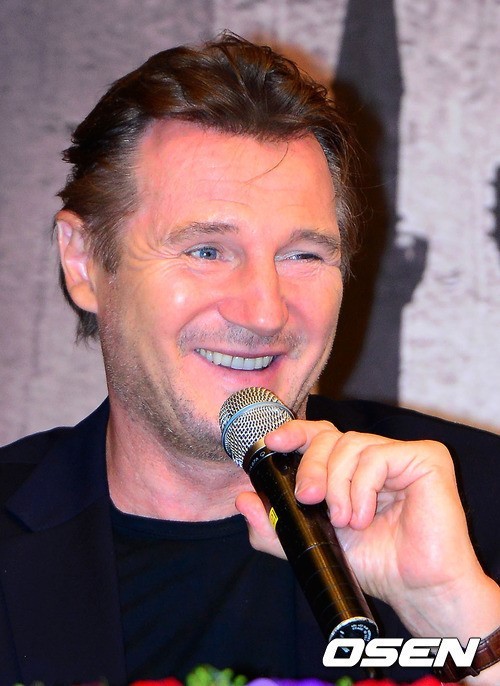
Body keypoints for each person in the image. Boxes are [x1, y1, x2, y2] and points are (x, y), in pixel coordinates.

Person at [0, 32, 498, 686]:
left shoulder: (474, 503)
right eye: (207, 250)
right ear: (84, 262)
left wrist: (454, 611)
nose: (264, 312)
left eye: (303, 255)